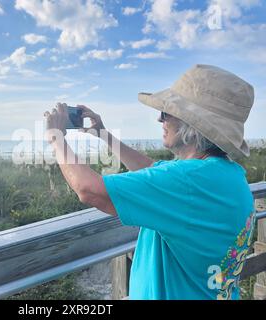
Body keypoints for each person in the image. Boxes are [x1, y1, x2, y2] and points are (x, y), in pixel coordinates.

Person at [43, 64, 256, 300]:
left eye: (167, 112)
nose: (159, 118)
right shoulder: (228, 175)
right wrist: (102, 134)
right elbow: (151, 170)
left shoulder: (188, 180)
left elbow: (90, 190)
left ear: (191, 124)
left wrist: (56, 137)